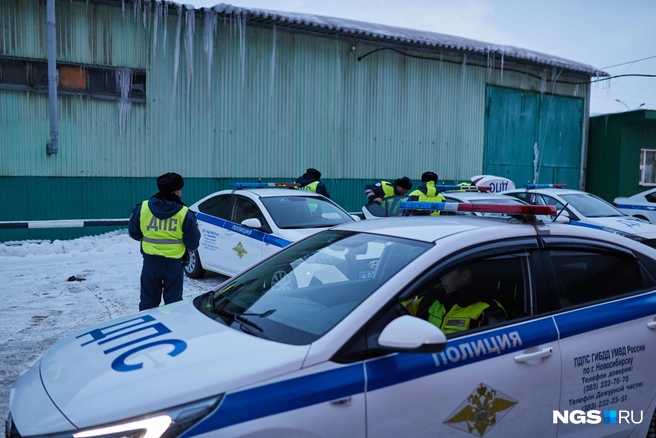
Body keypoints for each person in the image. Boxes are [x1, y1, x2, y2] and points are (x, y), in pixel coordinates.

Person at [128, 172, 201, 311]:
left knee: (148, 302)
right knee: (173, 304)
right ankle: (171, 330)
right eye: (180, 190)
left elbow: (133, 232)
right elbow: (193, 243)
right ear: (176, 191)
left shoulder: (143, 208)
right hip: (174, 264)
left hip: (150, 263)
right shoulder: (184, 213)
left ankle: (147, 328)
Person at [402, 265, 507, 334]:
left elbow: (493, 350)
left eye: (447, 272)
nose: (442, 277)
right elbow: (400, 308)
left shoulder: (488, 310)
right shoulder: (435, 297)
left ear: (465, 276)